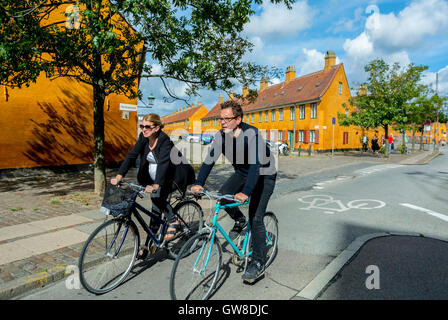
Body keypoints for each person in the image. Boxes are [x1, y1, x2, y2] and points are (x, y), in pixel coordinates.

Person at [191, 100, 277, 283]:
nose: (222, 122)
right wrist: (199, 183)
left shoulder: (251, 133)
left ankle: (258, 262)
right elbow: (209, 160)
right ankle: (239, 219)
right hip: (243, 173)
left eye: (226, 119)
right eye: (220, 119)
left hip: (264, 174)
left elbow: (256, 165)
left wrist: (246, 192)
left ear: (238, 119)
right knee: (223, 198)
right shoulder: (221, 136)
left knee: (256, 218)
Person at [111, 113, 195, 259]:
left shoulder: (165, 141)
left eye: (147, 126)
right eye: (142, 126)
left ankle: (173, 220)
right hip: (155, 176)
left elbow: (163, 164)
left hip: (174, 176)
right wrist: (119, 176)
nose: (143, 129)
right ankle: (149, 243)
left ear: (156, 128)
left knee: (157, 198)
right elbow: (132, 156)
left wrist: (156, 185)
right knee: (155, 211)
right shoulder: (143, 138)